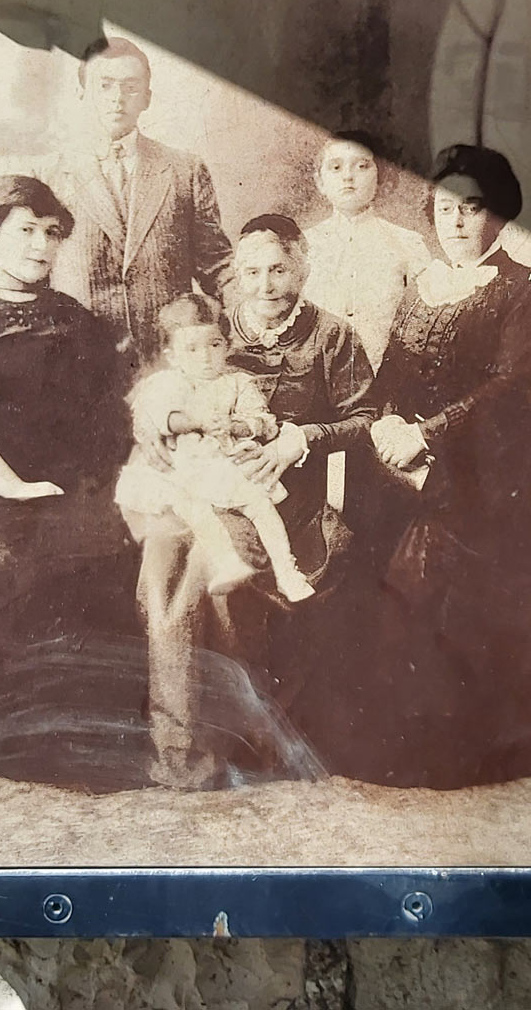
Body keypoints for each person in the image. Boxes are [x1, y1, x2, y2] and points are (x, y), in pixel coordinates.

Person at [351, 144, 531, 790]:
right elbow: (391, 376)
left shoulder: (525, 289)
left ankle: (462, 744)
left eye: (472, 207)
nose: (455, 220)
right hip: (419, 463)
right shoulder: (423, 285)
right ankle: (400, 731)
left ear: (500, 215)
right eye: (444, 207)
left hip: (500, 471)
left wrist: (426, 434)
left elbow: (508, 386)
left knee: (435, 567)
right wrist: (383, 419)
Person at [0, 175, 143, 788]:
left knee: (108, 557)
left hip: (61, 486)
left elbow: (112, 411)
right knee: (10, 565)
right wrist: (18, 489)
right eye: (24, 230)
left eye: (51, 233)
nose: (41, 245)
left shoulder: (77, 318)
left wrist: (97, 486)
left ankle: (80, 734)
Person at [131, 215, 376, 774]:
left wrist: (302, 438)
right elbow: (158, 409)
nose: (265, 284)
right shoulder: (217, 331)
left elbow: (365, 420)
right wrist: (168, 442)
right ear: (234, 275)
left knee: (220, 569)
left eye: (278, 269)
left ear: (302, 266)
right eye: (251, 272)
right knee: (160, 560)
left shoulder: (332, 335)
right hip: (200, 486)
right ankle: (179, 742)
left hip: (286, 495)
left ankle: (245, 737)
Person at [46, 37, 232, 370]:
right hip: (81, 368)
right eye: (105, 86)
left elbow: (217, 266)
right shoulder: (50, 175)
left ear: (147, 98)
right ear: (82, 92)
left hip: (170, 366)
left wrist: (257, 315)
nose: (117, 99)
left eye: (131, 88)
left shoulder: (184, 170)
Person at [303, 131, 430, 370]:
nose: (348, 177)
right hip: (317, 378)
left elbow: (422, 324)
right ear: (320, 182)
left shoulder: (408, 243)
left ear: (380, 176)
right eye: (336, 167)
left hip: (387, 378)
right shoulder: (303, 246)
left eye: (361, 166)